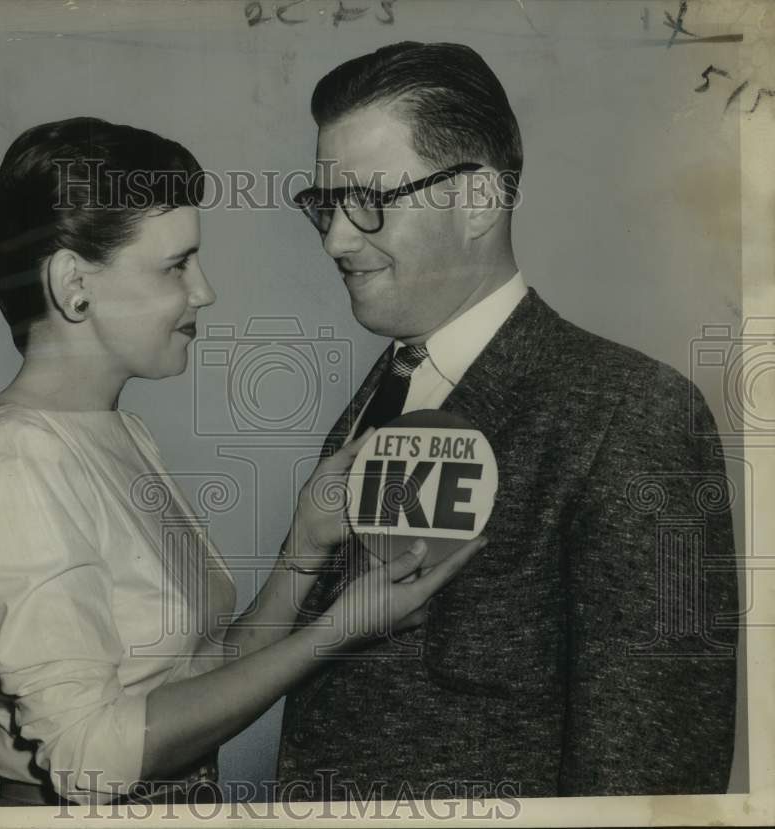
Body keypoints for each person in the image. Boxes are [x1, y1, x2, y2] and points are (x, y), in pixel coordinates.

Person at [0, 116, 486, 808]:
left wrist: (303, 546)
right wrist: (338, 628)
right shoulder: (14, 462)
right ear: (74, 283)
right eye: (175, 265)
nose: (203, 291)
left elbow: (204, 673)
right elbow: (92, 760)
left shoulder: (118, 434)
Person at [277, 42, 739, 799]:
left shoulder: (636, 413)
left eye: (368, 200)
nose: (335, 238)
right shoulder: (379, 397)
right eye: (325, 204)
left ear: (480, 200)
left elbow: (656, 775)